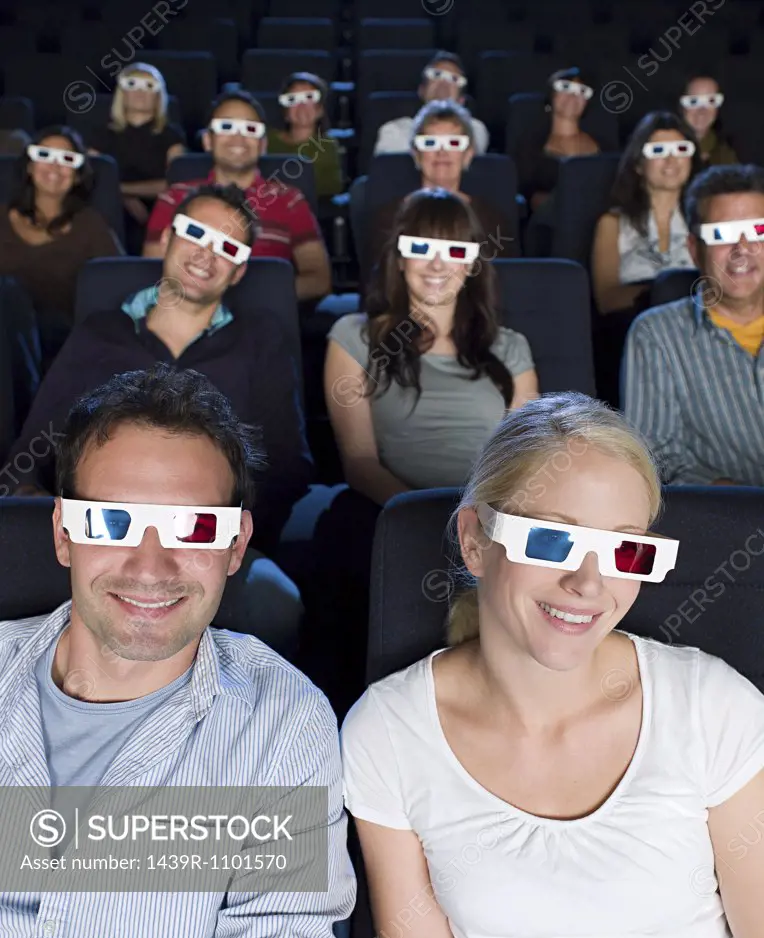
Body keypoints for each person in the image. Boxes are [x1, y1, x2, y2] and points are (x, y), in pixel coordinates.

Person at [341, 390, 764, 938]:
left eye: (624, 550)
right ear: (476, 541)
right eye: (551, 541)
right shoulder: (388, 730)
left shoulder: (714, 706)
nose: (589, 584)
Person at [0, 363, 356, 938]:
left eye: (194, 528)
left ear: (236, 545)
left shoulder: (282, 723)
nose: (150, 566)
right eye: (112, 523)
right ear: (62, 533)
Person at [5, 183, 313, 655]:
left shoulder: (260, 341)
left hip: (207, 539)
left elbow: (287, 465)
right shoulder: (100, 333)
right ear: (167, 238)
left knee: (278, 603)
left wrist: (220, 542)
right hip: (98, 533)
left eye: (227, 248)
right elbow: (37, 447)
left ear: (240, 270)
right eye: (195, 234)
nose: (206, 256)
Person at [309, 188, 537, 720]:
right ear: (399, 255)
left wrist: (477, 522)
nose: (438, 264)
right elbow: (360, 462)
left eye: (455, 251)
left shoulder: (510, 348)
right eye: (422, 247)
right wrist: (432, 520)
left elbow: (523, 460)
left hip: (489, 514)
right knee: (346, 545)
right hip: (387, 506)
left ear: (473, 264)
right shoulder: (354, 336)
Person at [624, 163, 764, 486]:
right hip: (724, 523)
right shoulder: (656, 335)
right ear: (694, 249)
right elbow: (656, 458)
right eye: (721, 235)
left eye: (757, 230)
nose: (742, 249)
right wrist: (737, 501)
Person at [143, 89, 331, 303]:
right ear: (207, 141)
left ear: (262, 145)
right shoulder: (174, 197)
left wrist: (249, 298)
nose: (238, 137)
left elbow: (318, 279)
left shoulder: (290, 199)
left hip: (265, 317)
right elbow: (152, 271)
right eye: (226, 127)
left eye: (250, 129)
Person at [591, 111, 700, 406]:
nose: (671, 160)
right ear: (639, 164)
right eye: (658, 151)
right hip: (634, 333)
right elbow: (606, 298)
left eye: (681, 149)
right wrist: (667, 293)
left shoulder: (704, 224)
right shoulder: (612, 223)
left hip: (699, 331)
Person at [0, 126, 121, 370]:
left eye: (66, 159)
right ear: (30, 166)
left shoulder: (90, 224)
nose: (55, 167)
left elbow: (117, 284)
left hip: (59, 344)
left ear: (77, 175)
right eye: (45, 156)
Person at [368, 100, 518, 282]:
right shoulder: (390, 217)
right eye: (430, 143)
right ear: (416, 155)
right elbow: (382, 284)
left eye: (453, 143)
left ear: (468, 154)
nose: (442, 152)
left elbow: (498, 285)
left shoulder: (492, 220)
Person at [88, 62, 186, 252]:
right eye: (132, 85)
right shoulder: (101, 134)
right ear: (122, 93)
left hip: (158, 210)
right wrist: (126, 198)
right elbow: (91, 179)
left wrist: (122, 190)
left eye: (148, 86)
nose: (140, 92)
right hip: (110, 210)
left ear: (158, 95)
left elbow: (174, 184)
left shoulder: (172, 136)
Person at [519, 67, 599, 257]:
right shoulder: (530, 143)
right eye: (565, 87)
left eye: (581, 92)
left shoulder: (602, 144)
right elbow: (525, 191)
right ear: (551, 95)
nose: (573, 96)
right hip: (548, 226)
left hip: (594, 223)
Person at [374, 51, 490, 156]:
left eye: (454, 79)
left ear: (461, 100)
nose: (444, 83)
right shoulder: (395, 131)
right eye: (436, 75)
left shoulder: (475, 128)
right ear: (421, 90)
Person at [267, 72, 343, 200]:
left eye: (309, 98)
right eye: (293, 100)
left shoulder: (327, 145)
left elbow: (333, 186)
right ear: (285, 112)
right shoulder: (268, 140)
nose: (302, 106)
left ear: (320, 109)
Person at [679, 75, 738, 167]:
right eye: (693, 101)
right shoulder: (662, 147)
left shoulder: (727, 154)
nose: (702, 110)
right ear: (681, 106)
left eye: (711, 100)